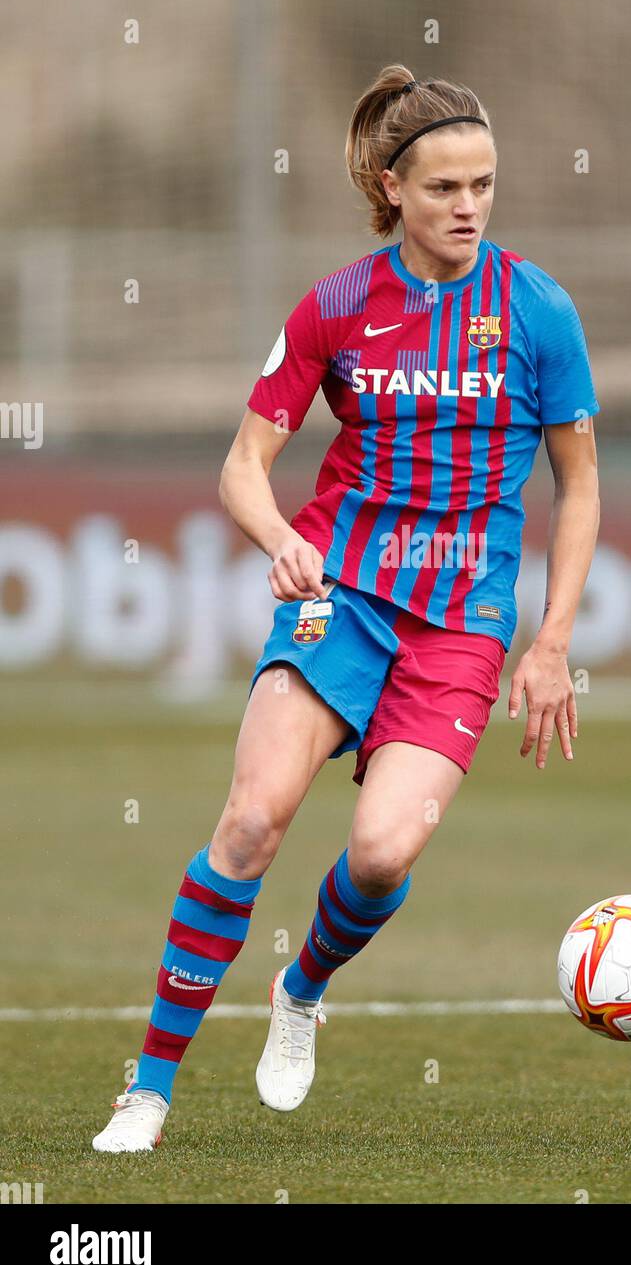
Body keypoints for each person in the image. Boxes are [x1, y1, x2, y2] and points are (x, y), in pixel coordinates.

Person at [92, 63, 600, 1152]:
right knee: (251, 818)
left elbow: (580, 484)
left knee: (377, 857)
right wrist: (281, 541)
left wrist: (550, 637)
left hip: (460, 624)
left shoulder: (537, 309)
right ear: (391, 187)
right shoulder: (334, 306)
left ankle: (302, 987)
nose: (468, 205)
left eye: (485, 184)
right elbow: (242, 466)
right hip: (342, 599)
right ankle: (146, 1089)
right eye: (445, 187)